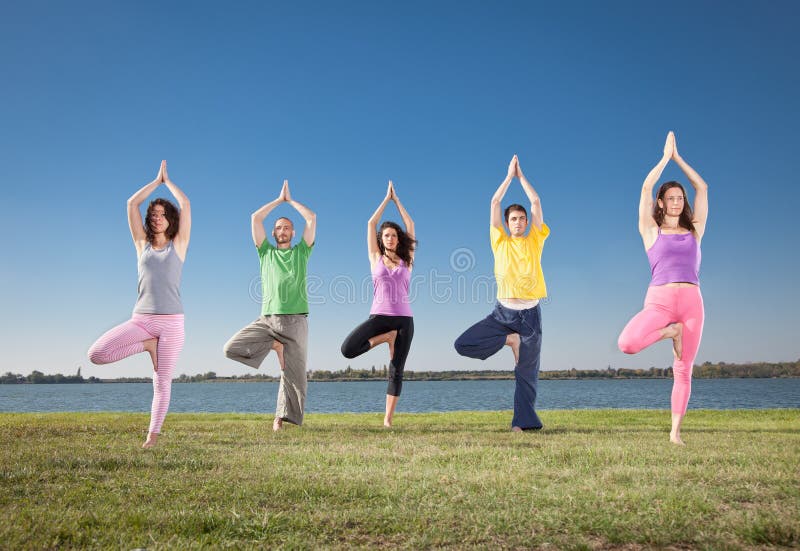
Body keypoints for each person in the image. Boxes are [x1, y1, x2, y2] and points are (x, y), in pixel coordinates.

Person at [88, 161, 191, 449]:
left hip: (172, 323)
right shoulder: (141, 243)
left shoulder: (179, 245)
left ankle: (152, 437)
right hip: (141, 320)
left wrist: (167, 182)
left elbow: (185, 202)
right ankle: (148, 345)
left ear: (171, 219)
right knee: (98, 354)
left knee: (162, 382)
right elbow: (132, 203)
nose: (158, 218)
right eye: (154, 214)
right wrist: (154, 182)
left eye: (163, 214)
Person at [618, 131, 708, 445]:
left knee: (683, 369)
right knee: (627, 343)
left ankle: (675, 432)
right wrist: (665, 158)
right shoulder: (650, 230)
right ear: (661, 201)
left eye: (679, 198)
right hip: (660, 301)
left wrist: (679, 159)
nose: (675, 202)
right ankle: (672, 332)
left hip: (692, 302)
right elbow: (645, 186)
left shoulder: (695, 229)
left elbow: (703, 187)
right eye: (670, 198)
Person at [454, 155, 549, 432]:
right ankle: (510, 340)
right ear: (507, 223)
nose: (518, 222)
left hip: (530, 315)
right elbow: (494, 203)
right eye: (514, 219)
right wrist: (509, 177)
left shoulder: (535, 238)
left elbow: (536, 203)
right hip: (502, 313)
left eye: (522, 219)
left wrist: (523, 178)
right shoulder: (499, 240)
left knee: (527, 373)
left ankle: (522, 423)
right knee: (463, 344)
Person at [224, 180, 316, 432]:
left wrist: (291, 201)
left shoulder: (301, 253)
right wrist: (279, 199)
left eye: (287, 227)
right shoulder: (265, 252)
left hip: (296, 321)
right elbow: (255, 218)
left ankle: (279, 419)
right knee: (231, 348)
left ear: (293, 233)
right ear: (273, 234)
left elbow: (312, 219)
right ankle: (274, 345)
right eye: (278, 228)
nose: (282, 230)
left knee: (295, 378)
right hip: (268, 320)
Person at [341, 181, 416, 428]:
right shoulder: (376, 258)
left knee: (396, 370)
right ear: (381, 240)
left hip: (404, 320)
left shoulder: (407, 259)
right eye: (387, 235)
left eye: (394, 235)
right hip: (380, 318)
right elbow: (370, 224)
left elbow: (411, 225)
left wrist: (399, 202)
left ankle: (387, 419)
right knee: (348, 349)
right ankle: (386, 338)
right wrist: (387, 199)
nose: (391, 238)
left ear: (399, 239)